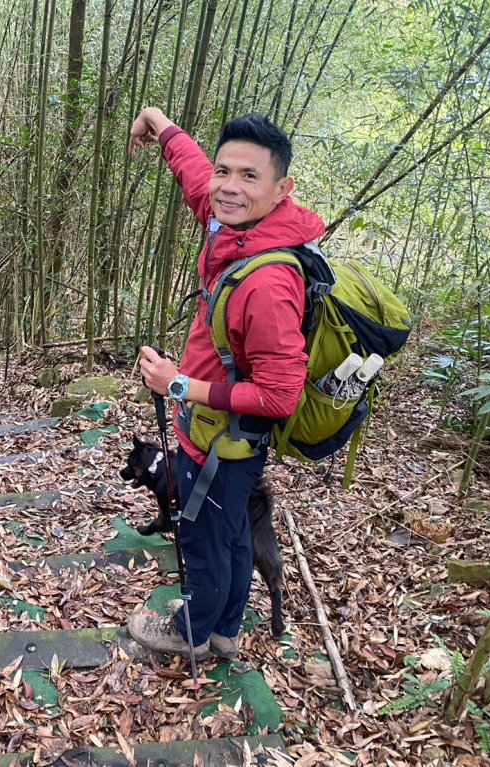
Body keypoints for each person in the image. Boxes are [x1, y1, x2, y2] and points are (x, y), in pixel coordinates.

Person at [127, 106, 325, 660]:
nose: (228, 187)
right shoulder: (237, 228)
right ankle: (226, 631)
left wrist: (177, 386)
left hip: (224, 440)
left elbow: (281, 394)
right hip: (227, 437)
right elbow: (197, 179)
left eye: (248, 176)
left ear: (281, 187)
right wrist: (161, 125)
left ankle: (189, 634)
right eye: (224, 171)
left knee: (205, 542)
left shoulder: (266, 280)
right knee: (234, 535)